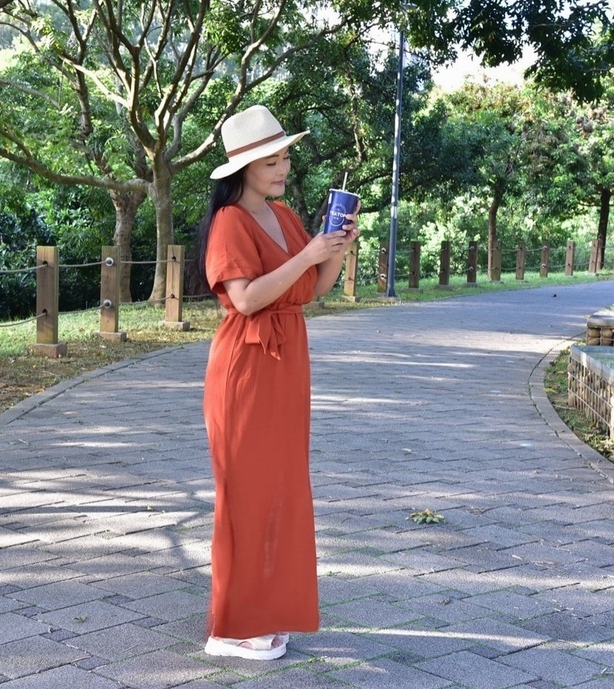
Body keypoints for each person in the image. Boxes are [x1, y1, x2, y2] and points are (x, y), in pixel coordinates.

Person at [197, 105, 359, 661]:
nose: (283, 166)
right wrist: (308, 254)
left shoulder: (284, 215)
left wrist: (332, 251)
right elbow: (244, 299)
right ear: (244, 167)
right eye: (273, 159)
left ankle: (265, 612)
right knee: (245, 494)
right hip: (245, 368)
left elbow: (311, 290)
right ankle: (230, 627)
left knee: (281, 490)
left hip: (288, 361)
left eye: (285, 155)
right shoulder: (229, 223)